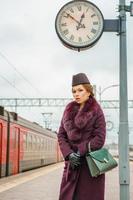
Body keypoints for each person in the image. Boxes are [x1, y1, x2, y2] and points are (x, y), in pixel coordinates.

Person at [58, 73, 106, 200]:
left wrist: (80, 151)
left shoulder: (97, 110)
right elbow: (61, 135)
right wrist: (69, 154)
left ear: (88, 91)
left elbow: (100, 138)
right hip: (72, 166)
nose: (76, 94)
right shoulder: (68, 109)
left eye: (80, 90)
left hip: (91, 167)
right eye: (74, 91)